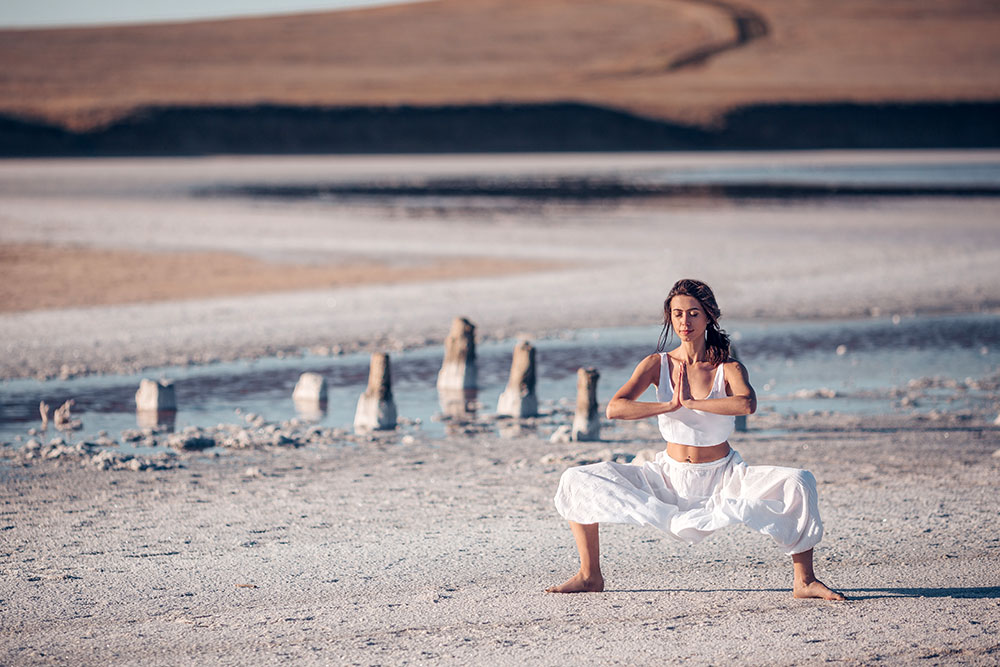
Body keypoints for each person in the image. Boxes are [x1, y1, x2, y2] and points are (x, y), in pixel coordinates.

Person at [546, 278, 844, 600]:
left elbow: (747, 403)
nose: (684, 322)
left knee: (799, 482)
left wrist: (693, 403)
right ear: (669, 318)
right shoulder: (657, 364)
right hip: (667, 477)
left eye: (692, 314)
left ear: (708, 317)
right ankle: (590, 576)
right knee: (576, 478)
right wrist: (668, 405)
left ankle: (804, 580)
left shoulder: (727, 368)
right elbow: (615, 408)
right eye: (677, 314)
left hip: (724, 476)